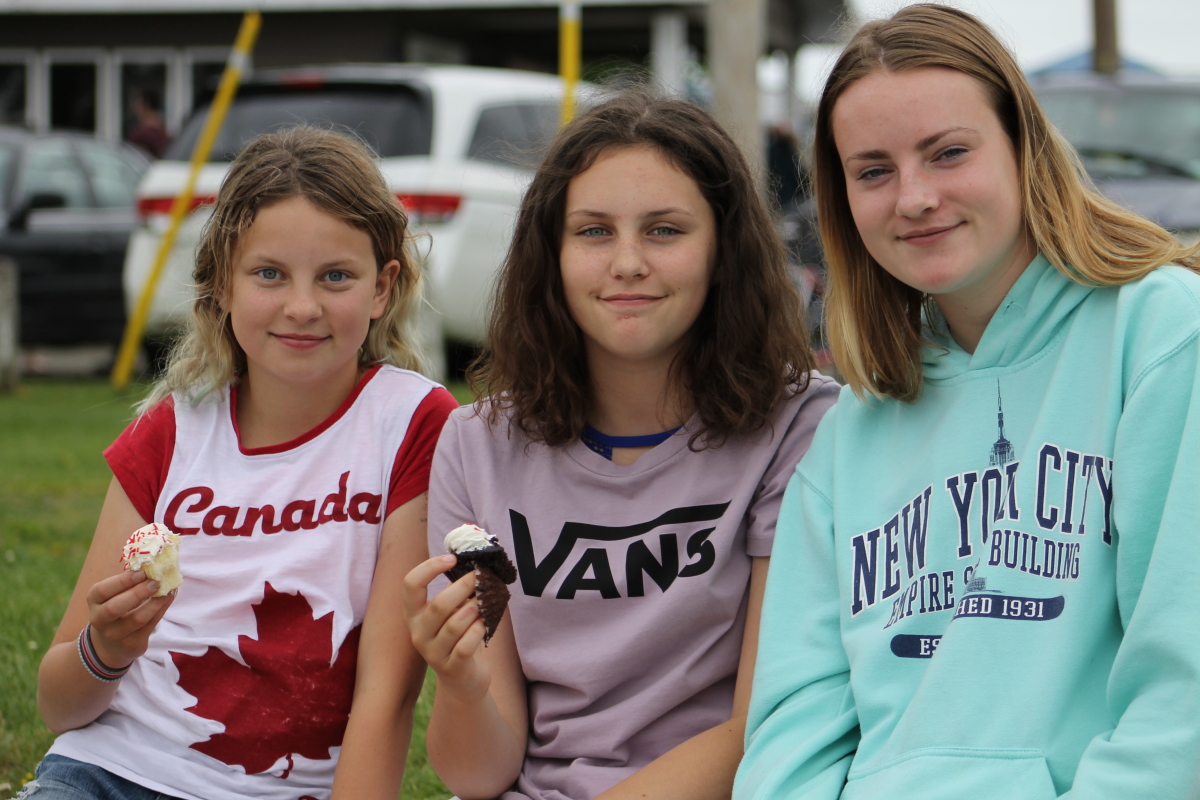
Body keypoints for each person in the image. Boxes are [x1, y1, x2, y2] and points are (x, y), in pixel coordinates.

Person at [734, 5, 1200, 799]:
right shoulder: (849, 431)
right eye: (873, 171)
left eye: (947, 153)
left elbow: (1181, 690)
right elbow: (794, 725)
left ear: (1023, 148)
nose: (914, 198)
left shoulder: (1162, 336)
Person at [401, 91, 839, 800]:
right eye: (594, 232)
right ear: (552, 252)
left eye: (664, 231)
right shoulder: (475, 444)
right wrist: (459, 680)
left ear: (724, 252)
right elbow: (477, 773)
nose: (628, 262)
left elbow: (758, 724)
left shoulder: (799, 428)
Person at [30, 126, 458, 800]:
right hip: (111, 772)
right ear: (222, 285)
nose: (302, 306)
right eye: (268, 274)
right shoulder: (172, 430)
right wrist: (106, 646)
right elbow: (59, 707)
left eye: (336, 277)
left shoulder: (411, 424)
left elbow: (386, 698)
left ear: (382, 288)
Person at [125, 89, 169, 159]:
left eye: (137, 103)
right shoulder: (163, 131)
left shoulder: (143, 134)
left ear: (145, 104)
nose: (134, 108)